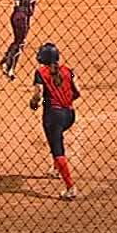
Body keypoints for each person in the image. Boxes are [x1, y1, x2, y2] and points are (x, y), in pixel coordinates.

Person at [30, 43, 81, 200]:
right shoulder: (68, 71)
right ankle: (55, 169)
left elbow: (38, 94)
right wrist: (64, 100)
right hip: (70, 115)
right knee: (55, 138)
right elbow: (77, 92)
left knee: (57, 147)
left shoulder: (40, 72)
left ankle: (70, 187)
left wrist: (34, 103)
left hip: (53, 116)